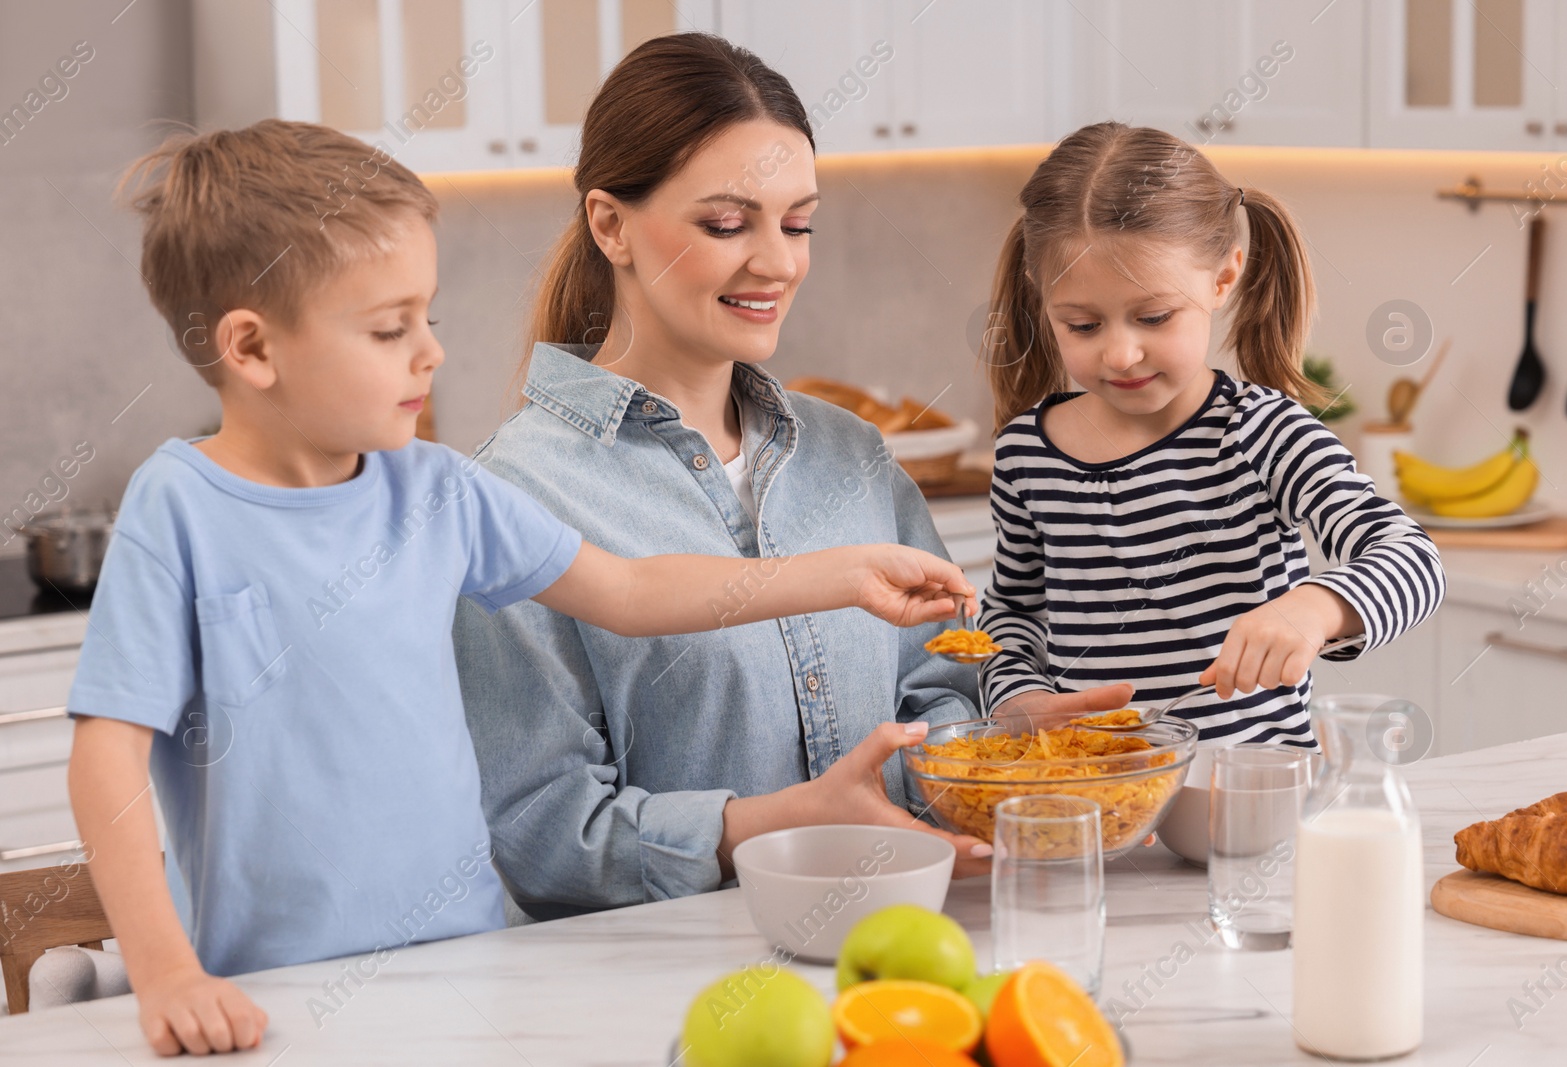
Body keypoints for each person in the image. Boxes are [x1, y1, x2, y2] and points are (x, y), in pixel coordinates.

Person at [66, 119, 976, 1057]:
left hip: (467, 964)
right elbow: (107, 760)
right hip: (263, 992)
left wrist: (834, 572)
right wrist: (168, 968)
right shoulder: (179, 506)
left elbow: (629, 589)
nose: (431, 353)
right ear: (252, 350)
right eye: (389, 328)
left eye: (429, 318)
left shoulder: (437, 488)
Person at [452, 34, 1132, 919]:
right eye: (727, 224)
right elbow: (546, 836)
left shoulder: (852, 456)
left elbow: (933, 687)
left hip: (904, 945)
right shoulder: (514, 497)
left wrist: (999, 746)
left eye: (798, 222)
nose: (777, 261)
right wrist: (774, 826)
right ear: (610, 224)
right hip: (662, 994)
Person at [978, 121, 1446, 746]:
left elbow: (1414, 560)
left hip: (1250, 809)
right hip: (1094, 798)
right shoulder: (1027, 454)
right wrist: (1016, 695)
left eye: (1153, 317)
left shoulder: (1262, 433)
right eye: (1083, 326)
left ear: (1223, 279)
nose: (1120, 353)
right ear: (1044, 299)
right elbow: (1012, 611)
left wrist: (1316, 609)